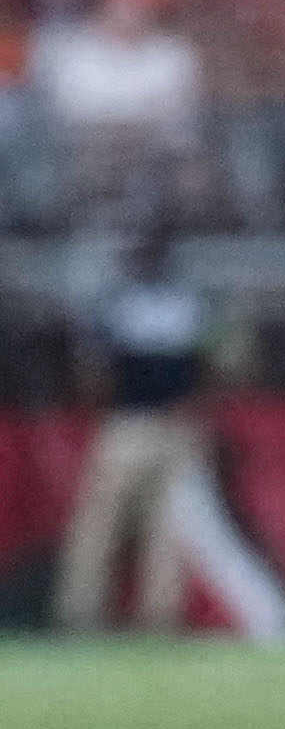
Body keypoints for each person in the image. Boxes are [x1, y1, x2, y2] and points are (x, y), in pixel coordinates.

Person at [53, 235, 238, 635]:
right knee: (126, 526)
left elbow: (93, 372)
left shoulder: (124, 304)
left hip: (139, 424)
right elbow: (219, 365)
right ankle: (117, 615)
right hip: (158, 423)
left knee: (142, 528)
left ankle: (99, 615)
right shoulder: (187, 303)